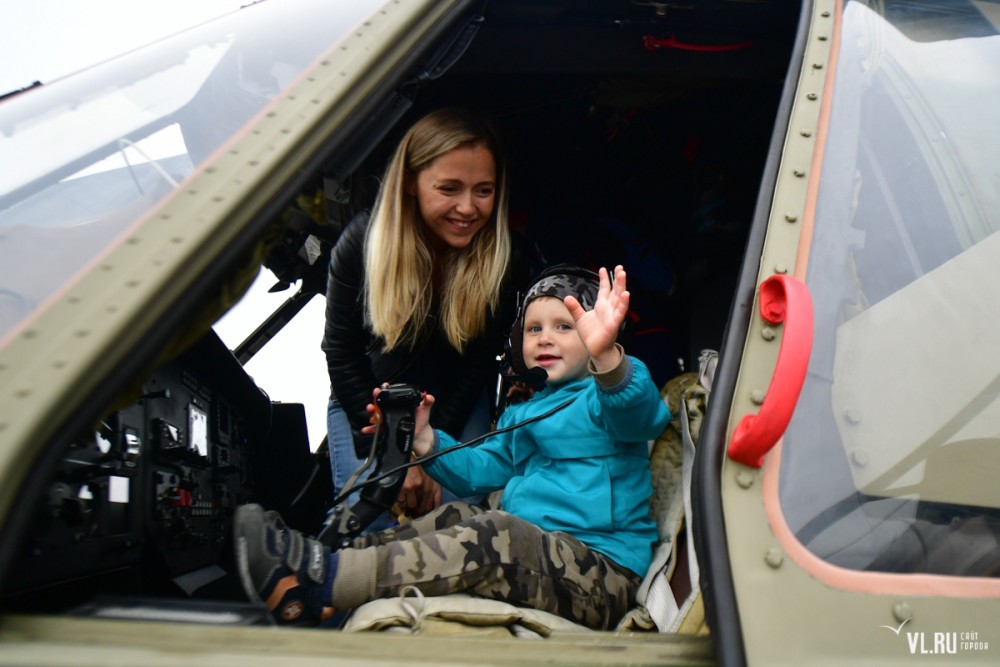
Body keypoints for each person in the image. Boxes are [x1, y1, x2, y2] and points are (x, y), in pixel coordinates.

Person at [235, 265, 671, 630]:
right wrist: (427, 442)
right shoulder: (527, 412)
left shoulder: (608, 396)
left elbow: (641, 416)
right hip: (545, 554)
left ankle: (324, 584)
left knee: (498, 533)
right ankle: (320, 563)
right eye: (534, 328)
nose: (544, 338)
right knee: (460, 513)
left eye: (565, 327)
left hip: (598, 574)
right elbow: (481, 468)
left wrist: (608, 359)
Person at [322, 108, 533, 520]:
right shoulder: (362, 243)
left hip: (454, 402)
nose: (468, 208)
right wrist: (390, 456)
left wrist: (434, 455)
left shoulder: (504, 258)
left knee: (459, 517)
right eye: (449, 188)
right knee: (366, 516)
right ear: (411, 184)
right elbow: (341, 351)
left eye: (483, 190)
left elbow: (478, 365)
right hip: (368, 401)